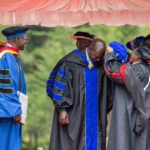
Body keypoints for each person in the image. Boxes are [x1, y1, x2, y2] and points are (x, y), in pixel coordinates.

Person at [48, 39, 112, 150]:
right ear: (90, 49)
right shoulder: (70, 63)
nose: (97, 59)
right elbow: (59, 86)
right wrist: (62, 109)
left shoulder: (101, 65)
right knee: (73, 142)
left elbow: (107, 91)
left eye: (100, 57)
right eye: (96, 56)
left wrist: (104, 111)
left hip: (95, 115)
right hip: (74, 113)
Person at [104, 35, 150, 150]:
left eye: (133, 50)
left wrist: (110, 54)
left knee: (127, 142)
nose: (131, 53)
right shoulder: (144, 68)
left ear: (139, 55)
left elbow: (114, 72)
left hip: (135, 117)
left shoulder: (135, 70)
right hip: (142, 118)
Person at [0, 26, 30, 150]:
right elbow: (7, 87)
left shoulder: (13, 57)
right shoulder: (7, 57)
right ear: (17, 39)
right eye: (25, 39)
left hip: (11, 111)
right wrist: (16, 110)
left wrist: (22, 108)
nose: (26, 42)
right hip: (7, 113)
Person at [46, 31, 95, 98]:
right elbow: (58, 88)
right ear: (86, 44)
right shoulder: (68, 62)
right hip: (70, 106)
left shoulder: (95, 63)